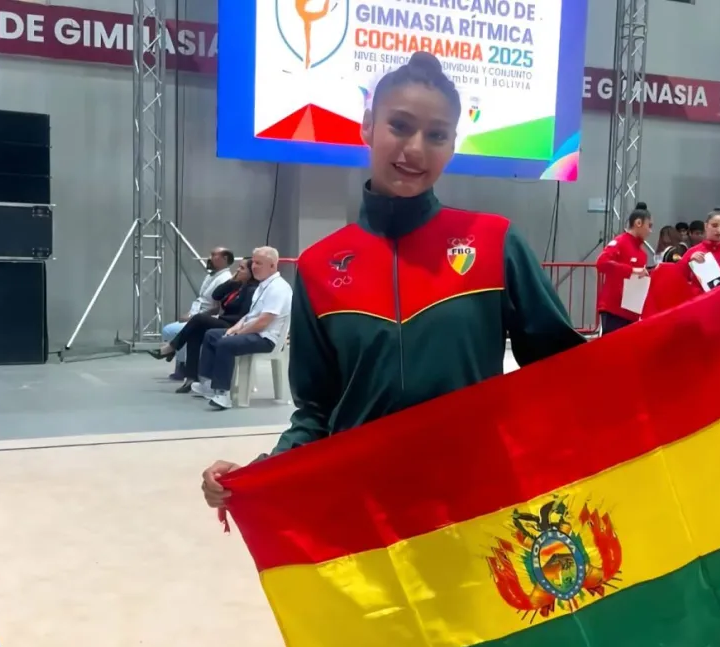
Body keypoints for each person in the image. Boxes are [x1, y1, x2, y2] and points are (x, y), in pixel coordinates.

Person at [202, 51, 585, 507]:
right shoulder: (320, 265)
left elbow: (571, 376)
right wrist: (260, 476)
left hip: (474, 511)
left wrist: (673, 356)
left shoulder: (495, 242)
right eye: (400, 126)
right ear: (367, 125)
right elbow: (316, 413)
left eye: (437, 134)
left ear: (452, 143)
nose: (416, 148)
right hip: (365, 521)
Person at [192, 247, 293, 410]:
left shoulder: (278, 288)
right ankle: (208, 383)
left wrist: (238, 333)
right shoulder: (262, 286)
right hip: (253, 331)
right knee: (212, 335)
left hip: (266, 338)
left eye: (259, 263)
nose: (254, 267)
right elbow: (249, 316)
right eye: (254, 263)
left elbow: (263, 322)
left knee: (226, 344)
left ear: (273, 266)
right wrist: (234, 329)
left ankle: (222, 394)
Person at [151, 258, 257, 392]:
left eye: (242, 268)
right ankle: (191, 378)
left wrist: (219, 317)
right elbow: (216, 295)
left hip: (234, 324)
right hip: (224, 320)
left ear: (250, 273)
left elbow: (243, 315)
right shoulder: (237, 285)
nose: (237, 270)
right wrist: (231, 281)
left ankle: (172, 347)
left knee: (198, 319)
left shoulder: (252, 290)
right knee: (195, 333)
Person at [161, 247, 235, 381]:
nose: (210, 258)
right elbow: (201, 299)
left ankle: (182, 365)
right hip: (197, 314)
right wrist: (190, 313)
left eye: (214, 255)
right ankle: (181, 362)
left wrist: (193, 318)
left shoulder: (226, 279)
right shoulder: (210, 276)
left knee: (177, 331)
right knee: (168, 330)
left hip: (207, 317)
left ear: (225, 259)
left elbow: (217, 307)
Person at [594, 202, 652, 335]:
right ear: (638, 223)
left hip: (631, 312)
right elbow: (601, 263)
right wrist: (631, 270)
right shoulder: (620, 242)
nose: (650, 231)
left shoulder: (642, 254)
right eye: (649, 226)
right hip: (614, 310)